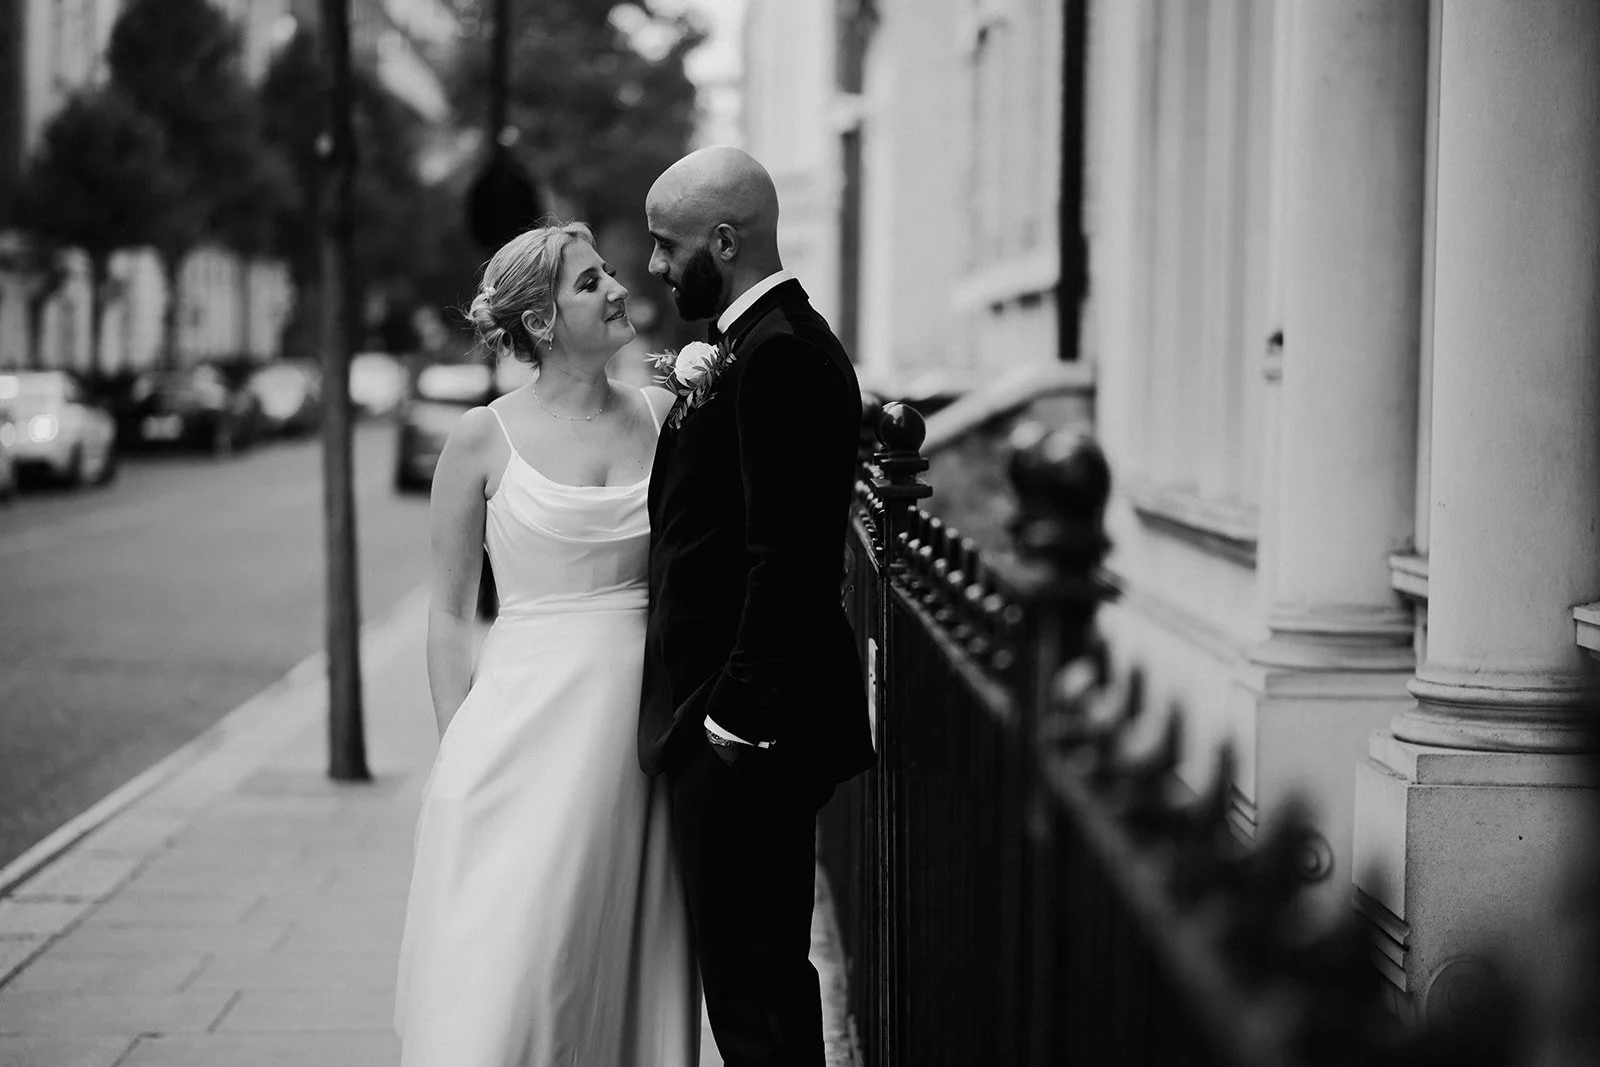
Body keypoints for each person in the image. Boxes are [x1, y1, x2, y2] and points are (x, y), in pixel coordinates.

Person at [394, 222, 699, 1066]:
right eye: (589, 281)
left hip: (639, 743)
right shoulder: (479, 440)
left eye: (608, 273)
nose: (616, 289)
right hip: (520, 738)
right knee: (513, 970)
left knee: (603, 962)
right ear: (539, 321)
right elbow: (450, 612)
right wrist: (459, 743)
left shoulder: (667, 415)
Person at [640, 146, 875, 1066]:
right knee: (757, 981)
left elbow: (789, 560)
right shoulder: (756, 345)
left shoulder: (782, 357)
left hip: (746, 736)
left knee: (754, 991)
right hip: (736, 728)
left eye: (668, 245)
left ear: (725, 240)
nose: (657, 266)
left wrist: (732, 718)